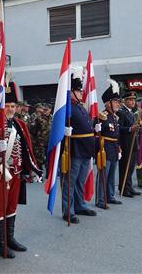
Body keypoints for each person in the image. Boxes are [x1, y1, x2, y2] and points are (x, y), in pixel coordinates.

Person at [0, 82, 41, 259]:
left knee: (12, 205)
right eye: (8, 106)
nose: (10, 109)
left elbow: (26, 147)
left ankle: (9, 238)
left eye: (13, 106)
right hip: (1, 171)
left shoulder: (19, 124)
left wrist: (32, 168)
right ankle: (0, 244)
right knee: (0, 206)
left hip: (17, 171)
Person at [62, 69, 97, 223]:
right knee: (70, 181)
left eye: (80, 90)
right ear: (70, 92)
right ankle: (68, 211)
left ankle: (79, 205)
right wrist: (65, 130)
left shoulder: (80, 107)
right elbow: (57, 126)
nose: (81, 93)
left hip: (85, 149)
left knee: (80, 180)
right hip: (74, 149)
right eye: (77, 90)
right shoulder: (66, 107)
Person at [95, 80, 123, 209]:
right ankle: (100, 199)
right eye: (116, 102)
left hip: (113, 147)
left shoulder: (115, 117)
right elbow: (96, 134)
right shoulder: (102, 116)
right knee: (103, 175)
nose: (118, 104)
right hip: (104, 147)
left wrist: (118, 148)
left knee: (112, 174)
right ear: (108, 103)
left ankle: (110, 196)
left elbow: (116, 135)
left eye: (118, 102)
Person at [117, 91, 141, 198]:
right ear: (125, 101)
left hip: (133, 143)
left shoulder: (131, 112)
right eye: (130, 100)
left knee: (131, 167)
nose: (133, 102)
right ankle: (123, 188)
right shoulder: (121, 112)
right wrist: (130, 129)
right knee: (125, 166)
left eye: (134, 100)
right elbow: (119, 128)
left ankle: (129, 186)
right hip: (126, 144)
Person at [29, 103, 51, 173]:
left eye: (46, 110)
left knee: (49, 159)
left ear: (50, 110)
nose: (44, 111)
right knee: (40, 159)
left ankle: (48, 173)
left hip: (50, 142)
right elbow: (33, 130)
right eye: (43, 109)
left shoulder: (53, 117)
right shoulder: (38, 118)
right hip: (40, 142)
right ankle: (39, 174)